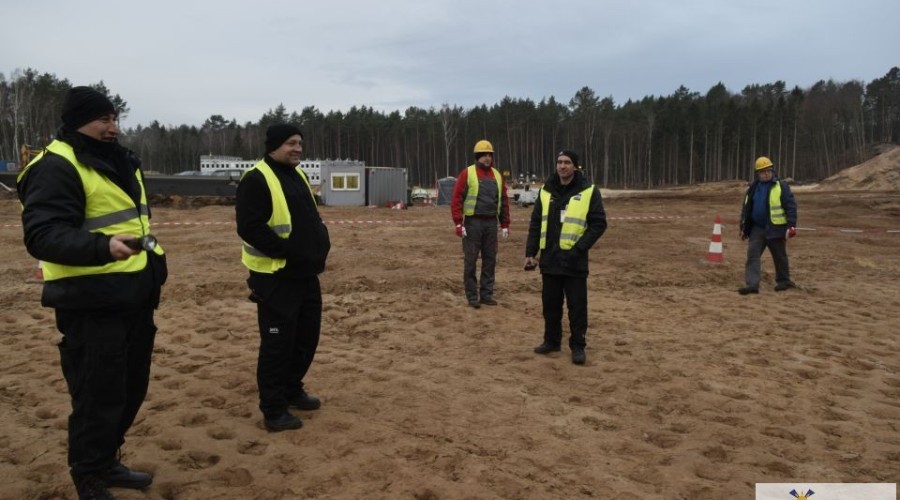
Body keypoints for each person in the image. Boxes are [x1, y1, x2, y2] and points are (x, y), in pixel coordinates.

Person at [17, 86, 168, 499]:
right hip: (90, 302)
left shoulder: (120, 160)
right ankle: (89, 476)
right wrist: (102, 247)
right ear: (77, 121)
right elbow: (43, 235)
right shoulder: (57, 166)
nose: (112, 127)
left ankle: (106, 461)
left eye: (114, 118)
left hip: (133, 296)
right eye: (103, 119)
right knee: (97, 395)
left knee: (129, 389)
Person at [235, 124, 331, 432]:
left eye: (300, 143)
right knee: (278, 345)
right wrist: (289, 252)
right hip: (275, 277)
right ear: (275, 145)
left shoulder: (299, 175)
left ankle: (292, 390)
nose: (298, 148)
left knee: (306, 338)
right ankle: (274, 409)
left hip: (305, 274)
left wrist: (320, 242)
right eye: (291, 143)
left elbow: (310, 217)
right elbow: (250, 227)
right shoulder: (257, 179)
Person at [525, 150, 607, 365]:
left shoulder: (588, 191)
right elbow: (535, 224)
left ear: (575, 166)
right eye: (559, 162)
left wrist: (579, 249)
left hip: (574, 261)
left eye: (567, 163)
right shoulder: (545, 191)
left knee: (577, 307)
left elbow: (599, 224)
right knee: (550, 305)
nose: (562, 166)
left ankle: (578, 346)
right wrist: (530, 253)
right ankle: (551, 341)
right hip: (550, 259)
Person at [450, 139, 511, 308]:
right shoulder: (467, 174)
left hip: (491, 223)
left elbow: (504, 200)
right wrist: (458, 223)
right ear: (477, 157)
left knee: (490, 260)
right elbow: (456, 199)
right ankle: (472, 297)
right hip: (472, 224)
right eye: (484, 155)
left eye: (489, 155)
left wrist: (505, 223)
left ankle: (486, 295)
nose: (487, 158)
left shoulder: (498, 175)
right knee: (470, 261)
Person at [738, 156, 798, 294]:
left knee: (779, 256)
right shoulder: (753, 188)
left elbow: (791, 207)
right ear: (758, 173)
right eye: (763, 171)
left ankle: (783, 281)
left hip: (775, 228)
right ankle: (752, 284)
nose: (766, 173)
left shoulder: (781, 186)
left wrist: (791, 225)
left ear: (773, 171)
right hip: (757, 229)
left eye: (769, 171)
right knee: (752, 255)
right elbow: (746, 208)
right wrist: (743, 227)